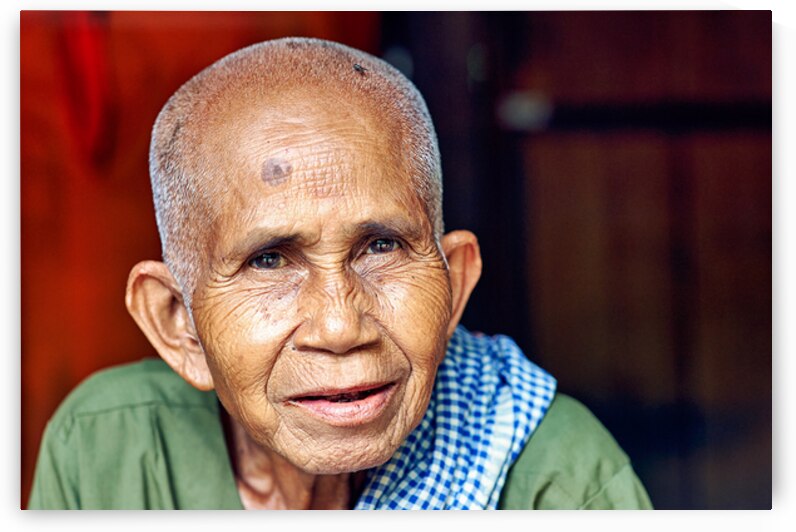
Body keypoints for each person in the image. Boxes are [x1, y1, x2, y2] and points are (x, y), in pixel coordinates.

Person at [28, 37, 652, 510]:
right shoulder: (106, 448)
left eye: (380, 246)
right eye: (269, 260)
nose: (338, 325)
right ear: (177, 323)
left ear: (454, 284)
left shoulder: (562, 481)